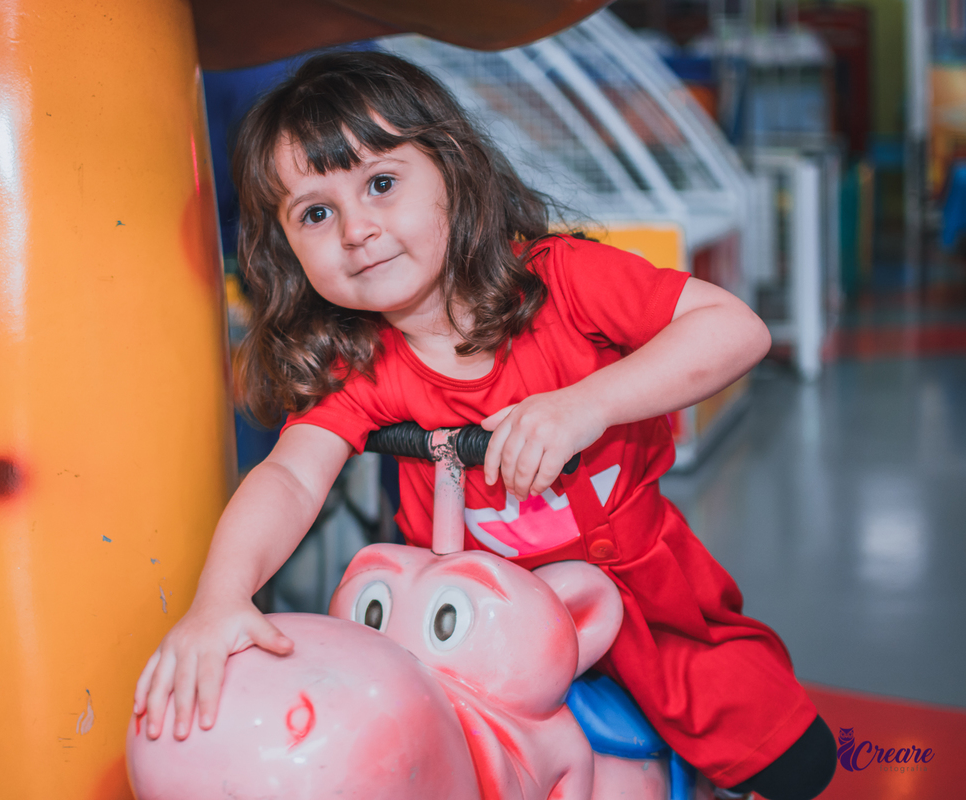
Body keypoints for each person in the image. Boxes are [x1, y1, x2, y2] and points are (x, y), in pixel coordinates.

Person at [133, 50, 836, 800]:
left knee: (793, 759)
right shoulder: (360, 361)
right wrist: (222, 597)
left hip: (641, 604)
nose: (356, 229)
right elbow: (290, 473)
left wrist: (584, 404)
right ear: (286, 249)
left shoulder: (561, 282)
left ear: (452, 171)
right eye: (315, 213)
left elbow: (734, 330)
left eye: (380, 184)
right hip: (461, 637)